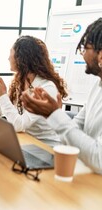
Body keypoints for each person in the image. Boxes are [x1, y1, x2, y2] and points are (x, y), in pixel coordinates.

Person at [21, 18, 102, 174]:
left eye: (85, 48)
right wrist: (52, 113)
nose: (82, 54)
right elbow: (76, 127)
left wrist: (54, 114)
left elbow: (99, 159)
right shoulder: (97, 86)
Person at [0, 35, 68, 146]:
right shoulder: (20, 82)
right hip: (25, 142)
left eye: (11, 54)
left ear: (21, 58)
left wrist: (2, 95)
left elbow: (19, 125)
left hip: (45, 147)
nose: (8, 58)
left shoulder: (46, 88)